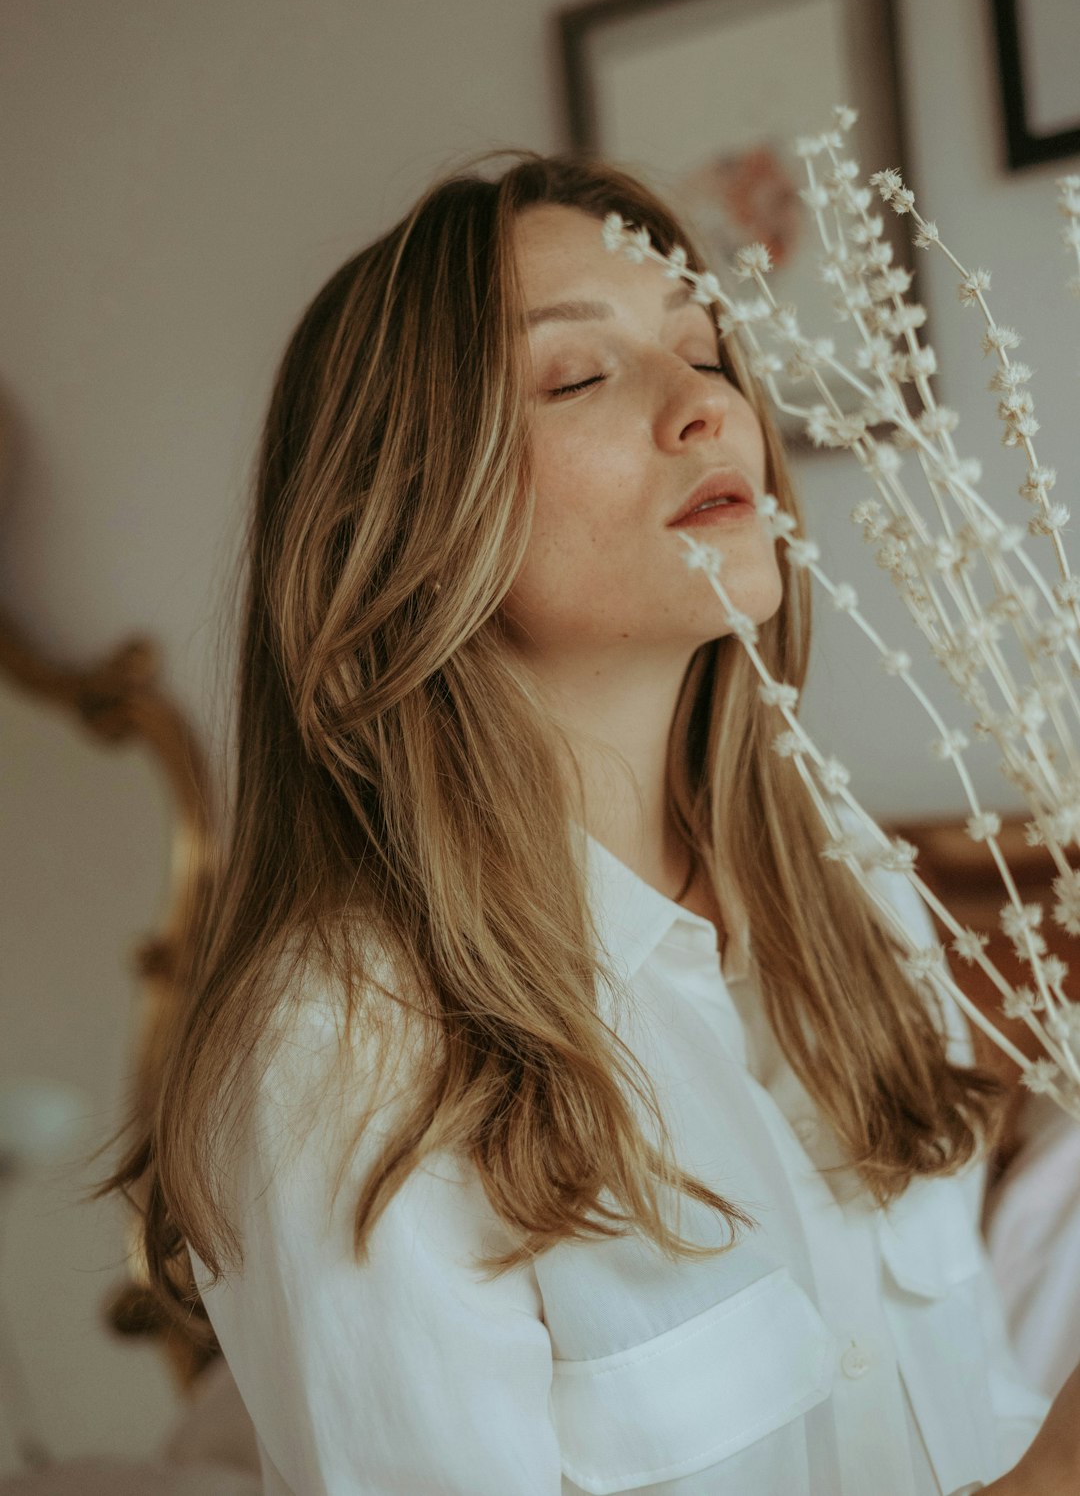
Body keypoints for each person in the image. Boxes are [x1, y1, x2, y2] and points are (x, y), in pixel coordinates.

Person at [103, 150, 1080, 1494]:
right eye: (578, 375)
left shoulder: (859, 898)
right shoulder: (346, 1048)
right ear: (402, 524)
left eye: (707, 350)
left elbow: (965, 1392)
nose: (709, 408)